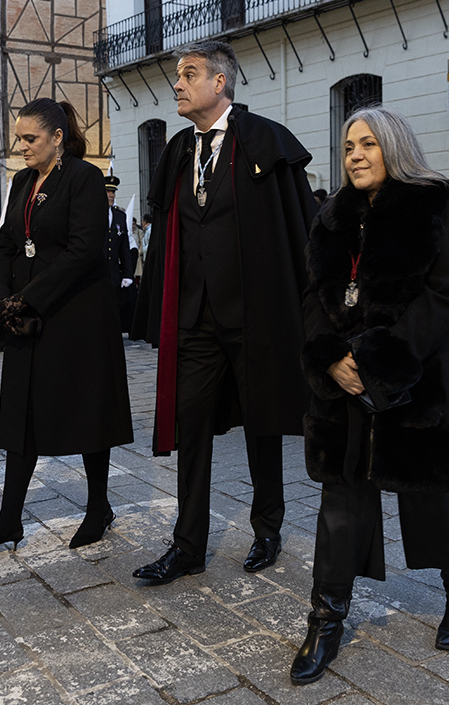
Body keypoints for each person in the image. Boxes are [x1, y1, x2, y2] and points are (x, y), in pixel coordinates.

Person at [291, 107, 449, 685]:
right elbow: (314, 295)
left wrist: (378, 361)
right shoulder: (331, 216)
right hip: (345, 385)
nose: (356, 155)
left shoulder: (436, 203)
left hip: (425, 376)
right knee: (342, 503)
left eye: (368, 144)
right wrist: (329, 358)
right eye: (349, 146)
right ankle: (325, 619)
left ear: (393, 146)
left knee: (436, 494)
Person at [130, 39, 318, 582]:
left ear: (220, 82)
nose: (177, 84)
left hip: (254, 315)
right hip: (194, 317)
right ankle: (187, 545)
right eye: (177, 75)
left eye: (188, 74)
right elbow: (167, 235)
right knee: (191, 427)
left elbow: (296, 229)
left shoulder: (264, 140)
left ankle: (267, 529)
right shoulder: (177, 151)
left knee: (263, 423)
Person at [0, 99, 133, 554]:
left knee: (88, 410)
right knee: (21, 413)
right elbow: (7, 245)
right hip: (27, 316)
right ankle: (8, 520)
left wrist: (28, 296)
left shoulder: (84, 177)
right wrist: (5, 298)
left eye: (30, 138)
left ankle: (98, 507)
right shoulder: (21, 181)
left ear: (57, 137)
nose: (23, 146)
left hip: (77, 315)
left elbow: (83, 249)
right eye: (19, 138)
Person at [104, 174, 137, 333]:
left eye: (113, 192)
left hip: (114, 274)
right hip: (99, 273)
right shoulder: (94, 214)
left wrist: (127, 274)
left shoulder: (119, 216)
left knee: (115, 310)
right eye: (108, 192)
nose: (111, 195)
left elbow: (124, 248)